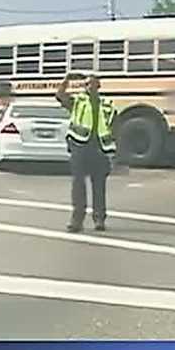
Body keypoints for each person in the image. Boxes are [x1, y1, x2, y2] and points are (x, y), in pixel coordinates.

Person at [56, 72, 117, 233]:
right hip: (80, 146)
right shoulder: (77, 100)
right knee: (78, 185)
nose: (90, 86)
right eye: (88, 84)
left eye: (93, 83)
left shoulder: (107, 104)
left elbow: (113, 126)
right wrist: (66, 79)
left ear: (99, 86)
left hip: (100, 148)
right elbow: (60, 96)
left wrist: (113, 151)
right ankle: (77, 220)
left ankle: (99, 219)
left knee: (99, 186)